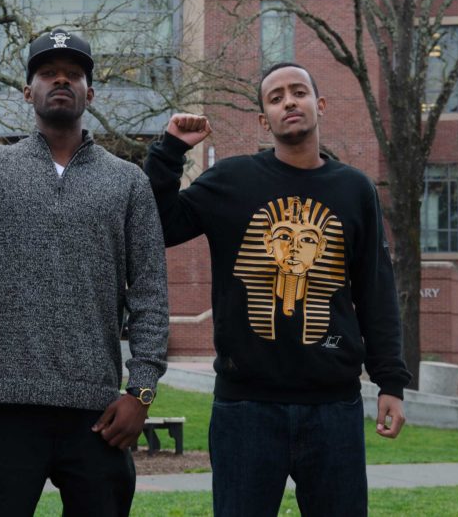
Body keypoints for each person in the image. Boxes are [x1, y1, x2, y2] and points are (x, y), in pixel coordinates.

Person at [0, 28, 170, 516]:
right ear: (28, 92)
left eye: (74, 74)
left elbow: (150, 291)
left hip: (98, 412)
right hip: (3, 405)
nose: (61, 81)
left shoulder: (128, 181)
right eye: (47, 73)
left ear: (91, 92)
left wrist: (141, 392)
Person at [143, 62, 411, 516]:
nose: (289, 101)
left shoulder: (354, 189)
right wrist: (170, 152)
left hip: (333, 407)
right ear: (264, 119)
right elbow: (157, 225)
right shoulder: (231, 180)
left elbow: (375, 292)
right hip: (246, 407)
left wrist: (391, 381)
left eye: (299, 92)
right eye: (276, 96)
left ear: (319, 105)